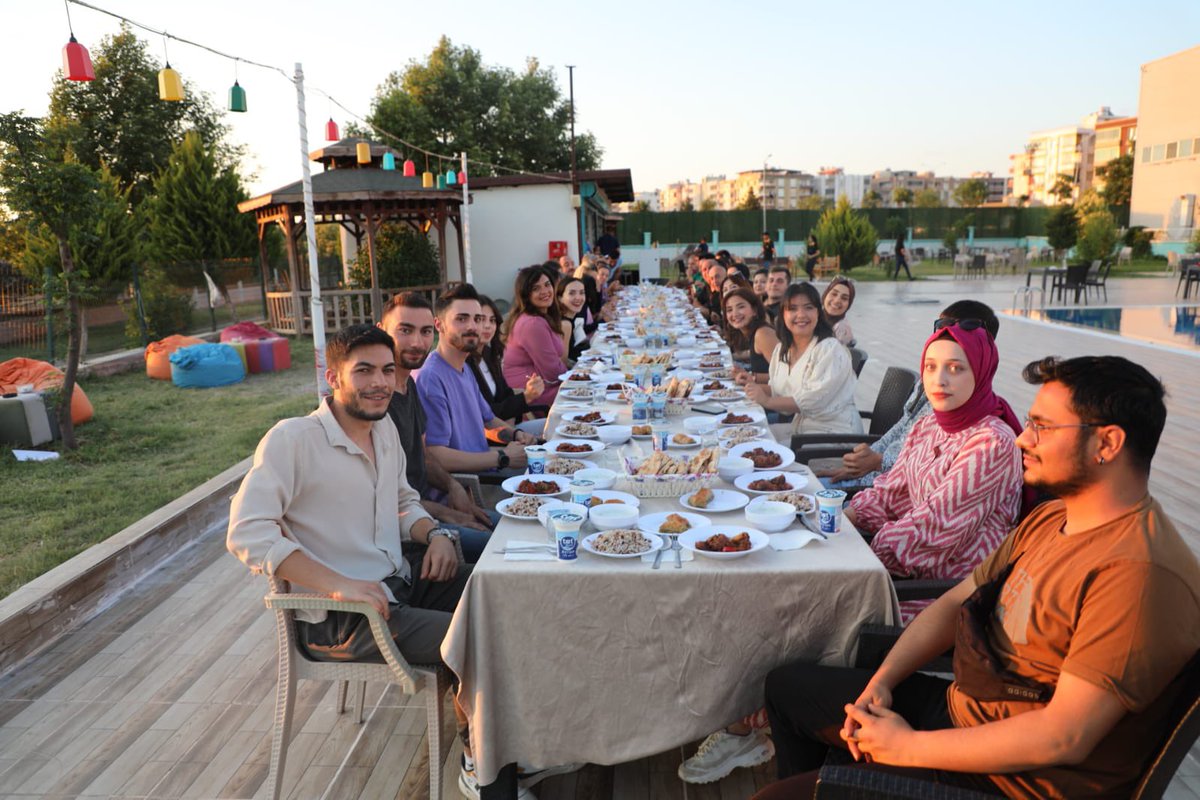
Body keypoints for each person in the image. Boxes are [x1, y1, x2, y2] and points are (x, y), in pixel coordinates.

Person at [755, 355, 1200, 800]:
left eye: (1043, 427)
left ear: (1108, 443)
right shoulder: (1052, 517)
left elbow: (1064, 735)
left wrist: (907, 747)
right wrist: (881, 684)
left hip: (1011, 780)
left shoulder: (1137, 574)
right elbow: (954, 603)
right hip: (965, 712)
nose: (1023, 438)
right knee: (787, 688)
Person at [224, 324, 509, 798]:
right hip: (346, 618)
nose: (380, 382)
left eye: (386, 370)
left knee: (501, 592)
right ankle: (483, 767)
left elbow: (402, 502)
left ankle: (524, 739)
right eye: (363, 371)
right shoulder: (293, 440)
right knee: (481, 638)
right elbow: (246, 533)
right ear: (332, 377)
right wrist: (338, 585)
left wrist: (435, 533)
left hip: (398, 583)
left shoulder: (385, 433)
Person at [844, 317, 1024, 621]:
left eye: (955, 369)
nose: (939, 380)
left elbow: (934, 528)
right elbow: (891, 492)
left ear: (981, 373)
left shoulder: (991, 443)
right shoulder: (929, 424)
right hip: (909, 569)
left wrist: (856, 556)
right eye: (931, 367)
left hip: (953, 590)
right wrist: (840, 519)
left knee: (831, 610)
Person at [818, 300, 998, 492]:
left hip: (885, 489)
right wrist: (860, 464)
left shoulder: (973, 421)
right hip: (873, 485)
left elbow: (928, 472)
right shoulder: (928, 383)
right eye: (938, 327)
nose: (941, 335)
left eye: (956, 368)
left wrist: (878, 462)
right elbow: (900, 427)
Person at [379, 293, 499, 562]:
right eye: (404, 330)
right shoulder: (378, 403)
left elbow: (424, 454)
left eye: (424, 332)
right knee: (505, 546)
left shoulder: (408, 385)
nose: (417, 342)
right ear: (381, 331)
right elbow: (387, 501)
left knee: (524, 526)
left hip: (435, 506)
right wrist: (448, 514)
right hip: (412, 530)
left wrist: (452, 485)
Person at [416, 283, 536, 475]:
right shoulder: (431, 378)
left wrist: (516, 434)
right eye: (461, 319)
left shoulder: (464, 367)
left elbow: (488, 421)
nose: (472, 326)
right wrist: (502, 457)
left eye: (477, 319)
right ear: (439, 325)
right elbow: (435, 455)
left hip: (489, 467)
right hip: (473, 485)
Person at [743, 282, 861, 437]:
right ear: (783, 314)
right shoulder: (782, 350)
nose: (801, 315)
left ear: (818, 313)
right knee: (747, 436)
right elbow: (777, 390)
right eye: (792, 308)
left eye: (808, 307)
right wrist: (746, 388)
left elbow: (813, 401)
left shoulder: (829, 349)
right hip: (801, 430)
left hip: (834, 436)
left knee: (756, 445)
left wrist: (766, 401)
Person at [468, 294, 545, 424]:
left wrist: (528, 392)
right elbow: (484, 414)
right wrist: (525, 397)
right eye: (481, 319)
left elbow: (505, 394)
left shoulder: (489, 354)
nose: (488, 326)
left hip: (510, 429)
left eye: (492, 320)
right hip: (491, 438)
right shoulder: (465, 363)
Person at [502, 267, 568, 408]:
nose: (545, 291)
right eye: (536, 288)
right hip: (531, 395)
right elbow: (552, 373)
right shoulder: (533, 324)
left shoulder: (540, 317)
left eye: (547, 284)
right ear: (526, 294)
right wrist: (576, 376)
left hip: (543, 386)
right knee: (589, 392)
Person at [723, 288, 778, 383]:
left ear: (754, 310)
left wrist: (752, 377)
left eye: (741, 307)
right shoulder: (749, 333)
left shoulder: (763, 334)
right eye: (729, 310)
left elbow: (785, 375)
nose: (734, 314)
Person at [555, 274, 591, 362]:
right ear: (560, 298)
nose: (578, 298)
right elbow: (562, 362)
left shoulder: (573, 318)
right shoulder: (564, 324)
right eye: (571, 293)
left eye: (582, 293)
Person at [821, 276, 856, 347]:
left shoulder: (841, 328)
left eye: (844, 298)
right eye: (834, 294)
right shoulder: (816, 316)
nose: (837, 301)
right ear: (825, 295)